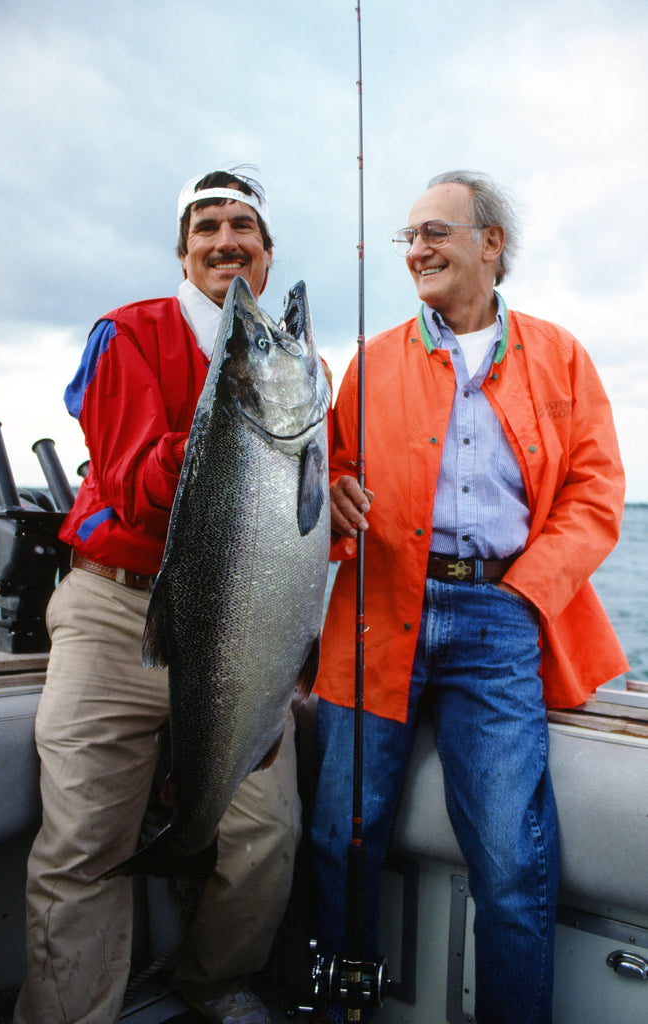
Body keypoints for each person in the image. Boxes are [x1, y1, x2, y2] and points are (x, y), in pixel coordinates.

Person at [310, 170, 628, 1024]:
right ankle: (346, 1006)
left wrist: (525, 597)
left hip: (500, 617)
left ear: (492, 244)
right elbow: (331, 476)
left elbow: (598, 493)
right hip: (375, 611)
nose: (416, 249)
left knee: (514, 864)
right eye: (408, 236)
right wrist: (335, 494)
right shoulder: (368, 362)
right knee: (341, 837)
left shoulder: (560, 352)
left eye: (436, 233)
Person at [14, 169, 301, 1024]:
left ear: (266, 249)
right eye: (205, 225)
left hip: (243, 613)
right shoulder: (126, 334)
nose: (225, 240)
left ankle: (212, 982)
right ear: (182, 250)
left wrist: (340, 488)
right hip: (114, 608)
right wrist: (238, 431)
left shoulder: (290, 365)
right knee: (83, 846)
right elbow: (138, 484)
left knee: (265, 834)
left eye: (242, 224)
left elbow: (313, 486)